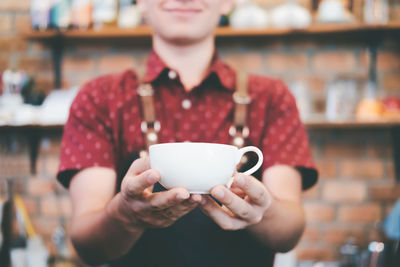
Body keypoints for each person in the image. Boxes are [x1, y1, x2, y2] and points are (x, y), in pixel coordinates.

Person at [57, 0, 318, 266]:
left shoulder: (272, 98)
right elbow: (87, 246)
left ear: (228, 3)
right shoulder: (99, 98)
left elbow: (289, 233)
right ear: (141, 4)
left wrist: (264, 212)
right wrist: (125, 215)